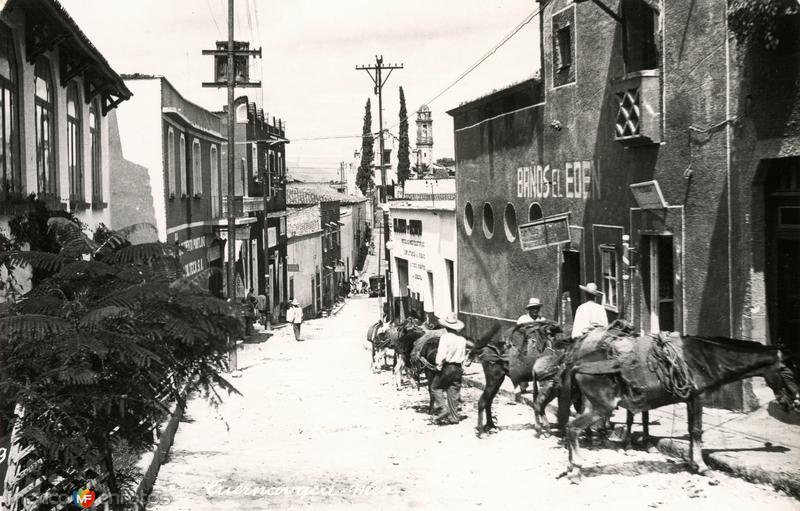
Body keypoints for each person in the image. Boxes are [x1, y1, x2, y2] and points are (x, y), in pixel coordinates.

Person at [432, 312, 468, 425]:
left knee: (435, 387)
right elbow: (463, 356)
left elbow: (441, 354)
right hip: (458, 368)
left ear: (446, 327)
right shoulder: (462, 339)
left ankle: (443, 408)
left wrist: (438, 365)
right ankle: (454, 417)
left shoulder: (445, 337)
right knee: (453, 392)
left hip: (447, 367)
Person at [512, 297, 546, 402]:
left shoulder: (542, 320)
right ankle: (523, 385)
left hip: (539, 344)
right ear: (529, 309)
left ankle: (542, 384)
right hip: (526, 343)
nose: (535, 310)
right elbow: (517, 333)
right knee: (524, 363)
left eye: (537, 308)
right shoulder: (523, 319)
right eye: (533, 308)